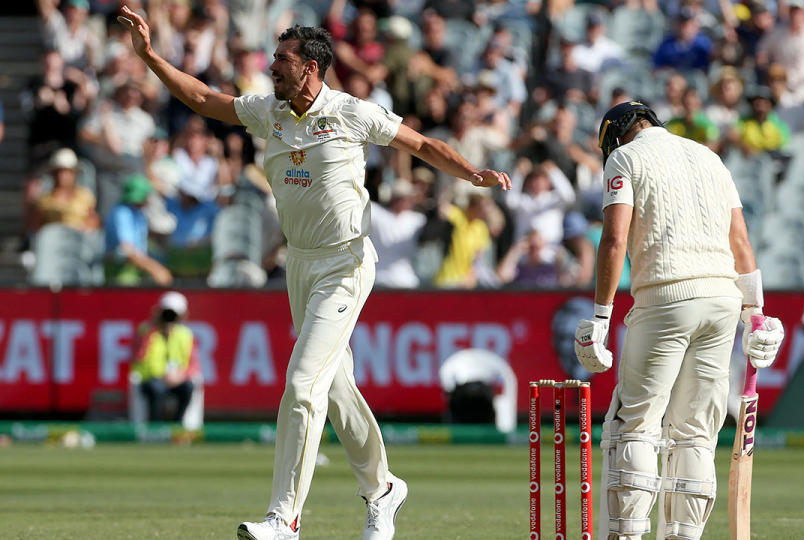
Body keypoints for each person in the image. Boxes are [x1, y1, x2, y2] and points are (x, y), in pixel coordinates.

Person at [119, 8, 510, 540]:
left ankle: (285, 519)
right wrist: (149, 57)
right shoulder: (268, 110)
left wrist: (472, 174)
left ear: (311, 68)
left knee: (302, 384)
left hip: (345, 262)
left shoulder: (351, 111)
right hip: (298, 265)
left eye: (281, 61)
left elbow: (420, 145)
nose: (271, 68)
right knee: (334, 387)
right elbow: (205, 100)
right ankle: (383, 488)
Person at [573, 101, 785, 540]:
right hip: (722, 300)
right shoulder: (709, 156)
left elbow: (613, 240)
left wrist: (600, 315)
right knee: (695, 433)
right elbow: (740, 241)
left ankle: (627, 534)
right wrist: (756, 314)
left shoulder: (624, 157)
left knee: (635, 423)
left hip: (665, 297)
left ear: (616, 136)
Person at [130, 291, 198, 422]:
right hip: (151, 378)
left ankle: (177, 426)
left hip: (176, 379)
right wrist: (152, 329)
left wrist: (180, 376)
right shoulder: (145, 330)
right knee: (156, 389)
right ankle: (155, 428)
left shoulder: (185, 334)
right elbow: (137, 357)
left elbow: (193, 365)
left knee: (188, 387)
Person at [104, 174, 173, 286]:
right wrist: (156, 270)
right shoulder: (121, 213)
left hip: (136, 269)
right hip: (119, 272)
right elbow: (128, 251)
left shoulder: (139, 212)